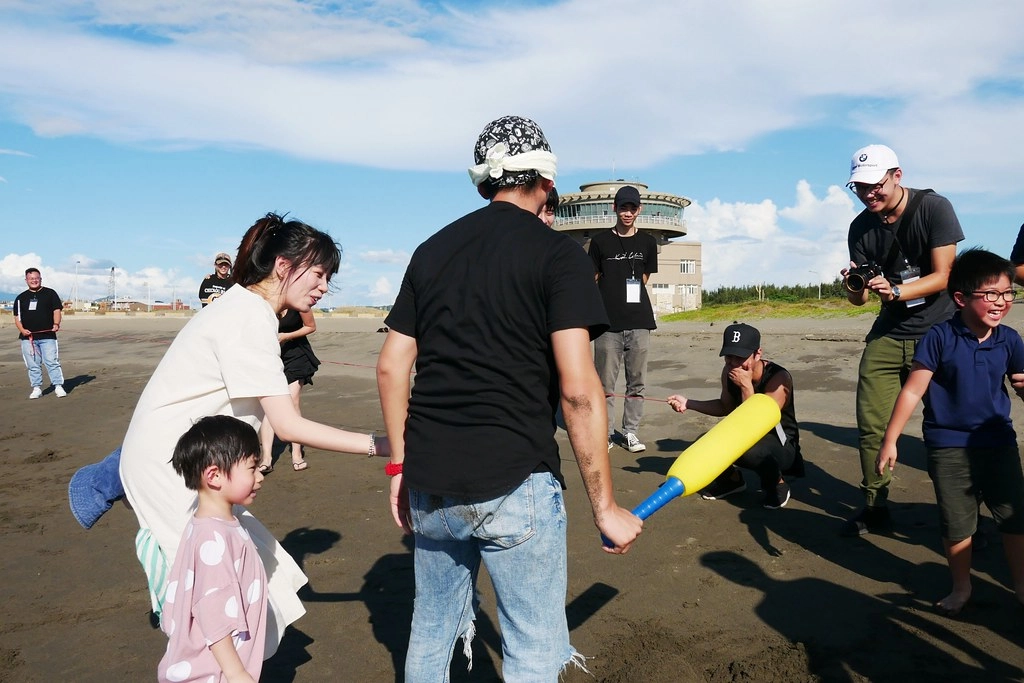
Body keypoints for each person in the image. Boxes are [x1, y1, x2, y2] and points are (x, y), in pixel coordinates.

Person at [376, 115, 642, 682]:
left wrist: (401, 465)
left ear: (483, 182)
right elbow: (578, 391)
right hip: (514, 478)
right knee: (534, 648)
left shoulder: (432, 250)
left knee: (429, 633)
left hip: (431, 480)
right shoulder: (559, 256)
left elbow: (392, 366)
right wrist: (606, 508)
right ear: (546, 181)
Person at [118, 213, 388, 658]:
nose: (324, 287)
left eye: (328, 279)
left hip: (186, 455)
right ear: (284, 265)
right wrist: (383, 445)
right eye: (319, 274)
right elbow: (288, 426)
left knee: (246, 567)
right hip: (171, 466)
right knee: (214, 586)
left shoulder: (246, 309)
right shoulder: (248, 317)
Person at [875, 248, 1024, 616]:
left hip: (999, 443)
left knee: (1015, 518)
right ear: (960, 298)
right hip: (949, 446)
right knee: (957, 524)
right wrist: (891, 439)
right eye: (990, 294)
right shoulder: (940, 336)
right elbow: (913, 389)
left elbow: (1020, 381)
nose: (1001, 302)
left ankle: (1022, 585)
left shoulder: (1010, 339)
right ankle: (962, 586)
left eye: (1008, 293)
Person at [840, 143, 964, 537]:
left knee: (947, 425)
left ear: (897, 175)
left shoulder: (933, 208)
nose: (868, 194)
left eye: (875, 185)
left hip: (941, 330)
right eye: (860, 187)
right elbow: (859, 299)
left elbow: (946, 275)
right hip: (890, 332)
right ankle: (875, 505)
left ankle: (960, 517)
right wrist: (854, 286)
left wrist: (895, 291)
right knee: (870, 424)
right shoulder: (860, 228)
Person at [159, 415, 268, 683]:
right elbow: (213, 613)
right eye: (252, 468)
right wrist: (236, 673)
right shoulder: (213, 537)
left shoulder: (209, 524)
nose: (260, 475)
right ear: (215, 475)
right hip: (214, 673)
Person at [666, 323, 804, 509]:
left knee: (747, 449)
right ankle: (733, 480)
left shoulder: (779, 379)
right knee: (706, 442)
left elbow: (756, 421)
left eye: (740, 357)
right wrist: (689, 403)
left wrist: (746, 386)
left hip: (783, 444)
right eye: (729, 357)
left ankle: (777, 483)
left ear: (757, 354)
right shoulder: (729, 372)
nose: (734, 363)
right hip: (749, 433)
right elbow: (725, 406)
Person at [589, 184, 659, 454]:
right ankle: (605, 433)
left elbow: (643, 279)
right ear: (614, 208)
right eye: (622, 207)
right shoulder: (600, 242)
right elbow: (593, 279)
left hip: (640, 322)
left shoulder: (648, 243)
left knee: (636, 382)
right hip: (607, 324)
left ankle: (630, 432)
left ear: (639, 210)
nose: (627, 212)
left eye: (632, 207)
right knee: (604, 384)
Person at [258, 308, 320, 473]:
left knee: (292, 401)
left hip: (296, 355)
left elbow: (310, 326)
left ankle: (297, 454)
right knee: (268, 405)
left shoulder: (299, 304)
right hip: (271, 357)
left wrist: (286, 335)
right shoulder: (267, 305)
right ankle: (266, 458)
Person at [14, 267, 67, 399]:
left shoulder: (50, 293)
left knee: (51, 361)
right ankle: (36, 387)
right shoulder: (21, 298)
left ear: (40, 279)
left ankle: (58, 386)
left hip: (48, 336)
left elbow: (57, 311)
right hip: (28, 338)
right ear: (26, 280)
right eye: (31, 278)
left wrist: (56, 324)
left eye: (36, 278)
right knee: (33, 364)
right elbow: (17, 317)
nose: (34, 281)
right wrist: (22, 330)